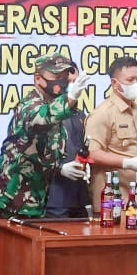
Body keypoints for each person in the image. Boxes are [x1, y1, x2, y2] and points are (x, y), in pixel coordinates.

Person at [0, 52, 92, 218]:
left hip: (36, 202)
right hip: (10, 202)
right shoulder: (30, 105)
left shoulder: (63, 112)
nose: (61, 80)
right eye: (55, 75)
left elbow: (45, 153)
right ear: (38, 79)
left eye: (64, 75)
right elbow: (43, 117)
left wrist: (63, 167)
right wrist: (70, 98)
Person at [85, 56, 137, 215]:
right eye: (130, 80)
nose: (136, 84)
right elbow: (92, 153)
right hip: (112, 201)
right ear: (115, 83)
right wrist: (127, 163)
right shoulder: (102, 114)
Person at [46, 62, 92, 218]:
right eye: (69, 81)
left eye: (76, 81)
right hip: (53, 197)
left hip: (78, 198)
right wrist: (60, 168)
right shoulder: (43, 114)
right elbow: (29, 152)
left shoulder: (80, 115)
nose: (73, 86)